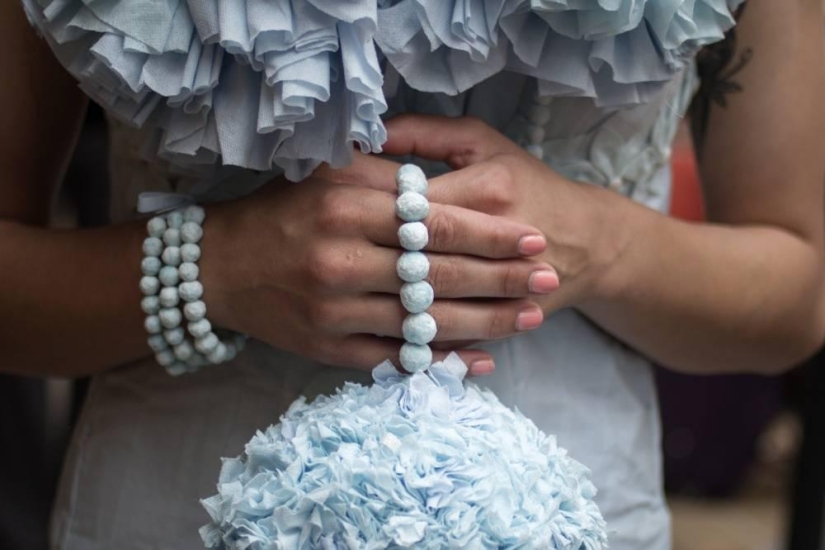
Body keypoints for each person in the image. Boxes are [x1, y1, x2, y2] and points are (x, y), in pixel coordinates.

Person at [2, 0, 824, 548]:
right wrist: (216, 267)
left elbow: (799, 292)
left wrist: (600, 242)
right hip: (167, 514)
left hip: (579, 518)